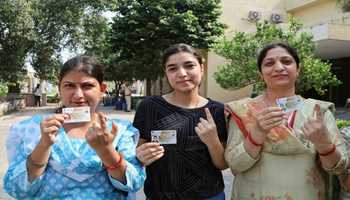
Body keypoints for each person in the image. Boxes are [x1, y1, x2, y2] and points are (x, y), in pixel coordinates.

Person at [3, 55, 145, 199]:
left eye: (87, 86)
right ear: (59, 89)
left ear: (102, 89)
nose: (78, 95)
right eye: (69, 86)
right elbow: (17, 189)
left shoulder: (119, 130)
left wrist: (107, 151)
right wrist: (44, 145)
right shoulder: (33, 128)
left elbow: (134, 183)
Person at [224, 42, 349, 200]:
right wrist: (257, 133)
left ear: (298, 70)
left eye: (286, 61)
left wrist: (324, 145)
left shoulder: (318, 111)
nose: (278, 67)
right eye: (269, 63)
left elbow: (340, 169)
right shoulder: (243, 110)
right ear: (260, 74)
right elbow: (234, 165)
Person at [133, 43, 228, 200]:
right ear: (166, 73)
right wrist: (140, 156)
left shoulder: (217, 110)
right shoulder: (149, 107)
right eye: (172, 68)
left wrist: (213, 141)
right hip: (160, 195)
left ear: (202, 68)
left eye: (189, 65)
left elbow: (222, 164)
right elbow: (136, 151)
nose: (182, 73)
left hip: (208, 195)